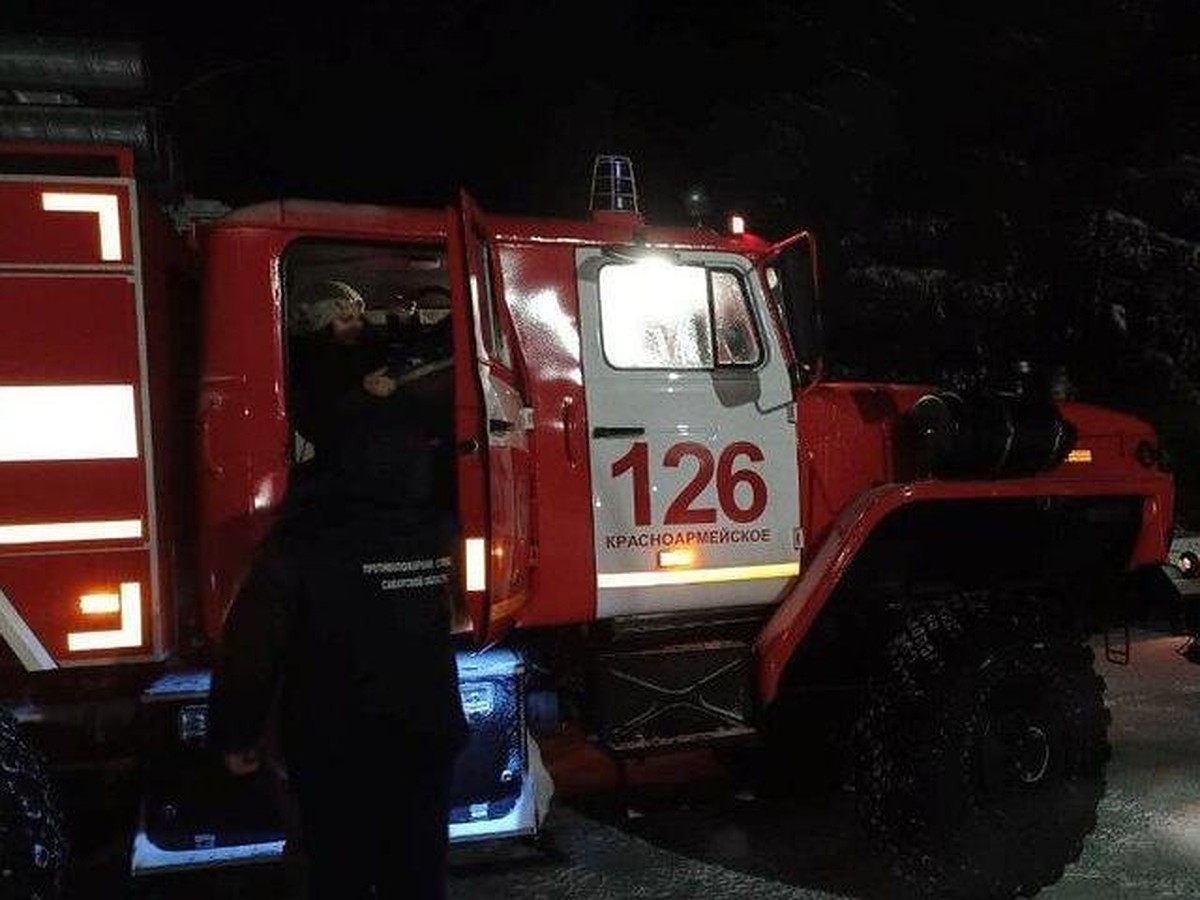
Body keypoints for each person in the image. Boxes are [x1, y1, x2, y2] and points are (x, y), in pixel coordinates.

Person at [206, 417, 469, 899]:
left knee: (336, 872)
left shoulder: (300, 545)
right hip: (426, 734)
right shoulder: (440, 533)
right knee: (419, 874)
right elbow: (455, 616)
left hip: (335, 743)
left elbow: (253, 647)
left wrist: (236, 733)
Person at [286, 279, 408, 457]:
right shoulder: (306, 362)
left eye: (358, 317)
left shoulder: (366, 347)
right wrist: (362, 391)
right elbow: (317, 417)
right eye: (344, 319)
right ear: (320, 324)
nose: (357, 324)